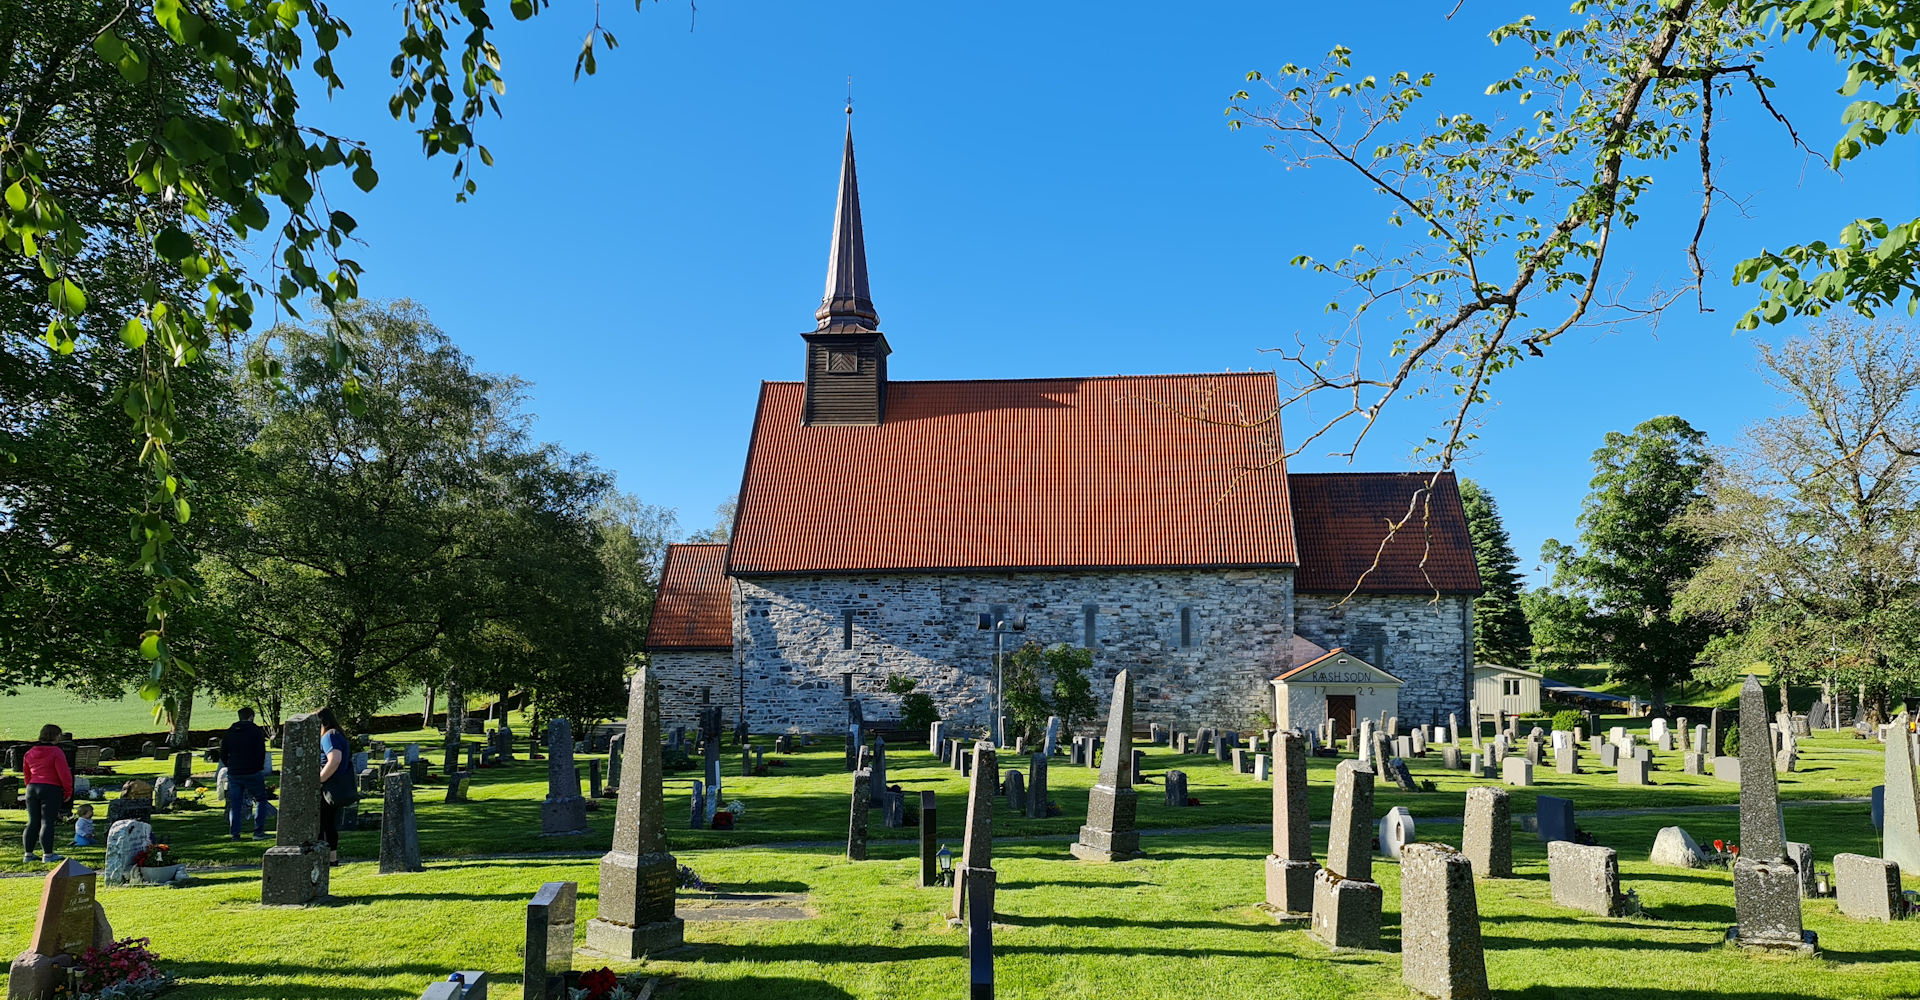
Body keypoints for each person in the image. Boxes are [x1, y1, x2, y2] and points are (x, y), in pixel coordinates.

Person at [22, 723, 73, 863]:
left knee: (33, 822)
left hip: (32, 787)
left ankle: (28, 854)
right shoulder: (56, 752)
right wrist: (68, 790)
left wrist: (29, 787)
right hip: (50, 788)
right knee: (47, 821)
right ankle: (48, 855)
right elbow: (64, 773)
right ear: (55, 736)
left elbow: (26, 773)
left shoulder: (30, 752)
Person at [222, 707, 271, 841]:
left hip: (234, 772)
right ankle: (258, 831)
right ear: (251, 717)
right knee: (261, 799)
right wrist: (259, 767)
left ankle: (235, 834)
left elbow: (223, 752)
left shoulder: (230, 731)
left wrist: (229, 765)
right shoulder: (255, 731)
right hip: (252, 771)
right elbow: (261, 751)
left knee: (236, 804)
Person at [315, 707, 353, 866]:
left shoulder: (329, 736)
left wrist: (319, 780)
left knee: (323, 823)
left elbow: (334, 759)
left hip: (329, 786)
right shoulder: (336, 734)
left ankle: (327, 859)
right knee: (328, 822)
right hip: (334, 785)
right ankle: (331, 859)